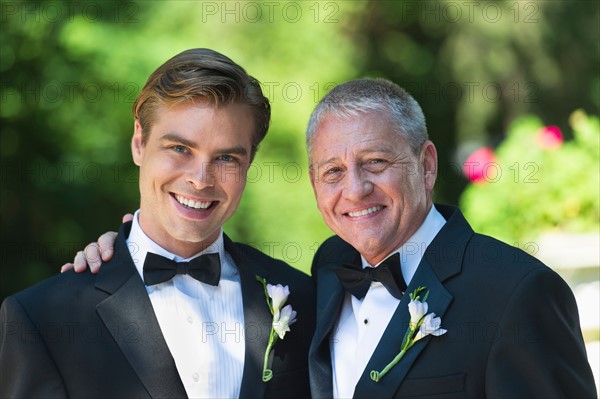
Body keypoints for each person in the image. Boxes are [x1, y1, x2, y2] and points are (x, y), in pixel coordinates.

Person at [61, 78, 598, 398]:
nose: (356, 189)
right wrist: (125, 252)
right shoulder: (322, 275)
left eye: (376, 162)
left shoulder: (517, 292)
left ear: (427, 164)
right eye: (332, 172)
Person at [0, 48, 315, 399]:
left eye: (226, 157)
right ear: (139, 142)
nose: (200, 179)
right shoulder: (43, 319)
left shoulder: (304, 299)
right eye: (180, 148)